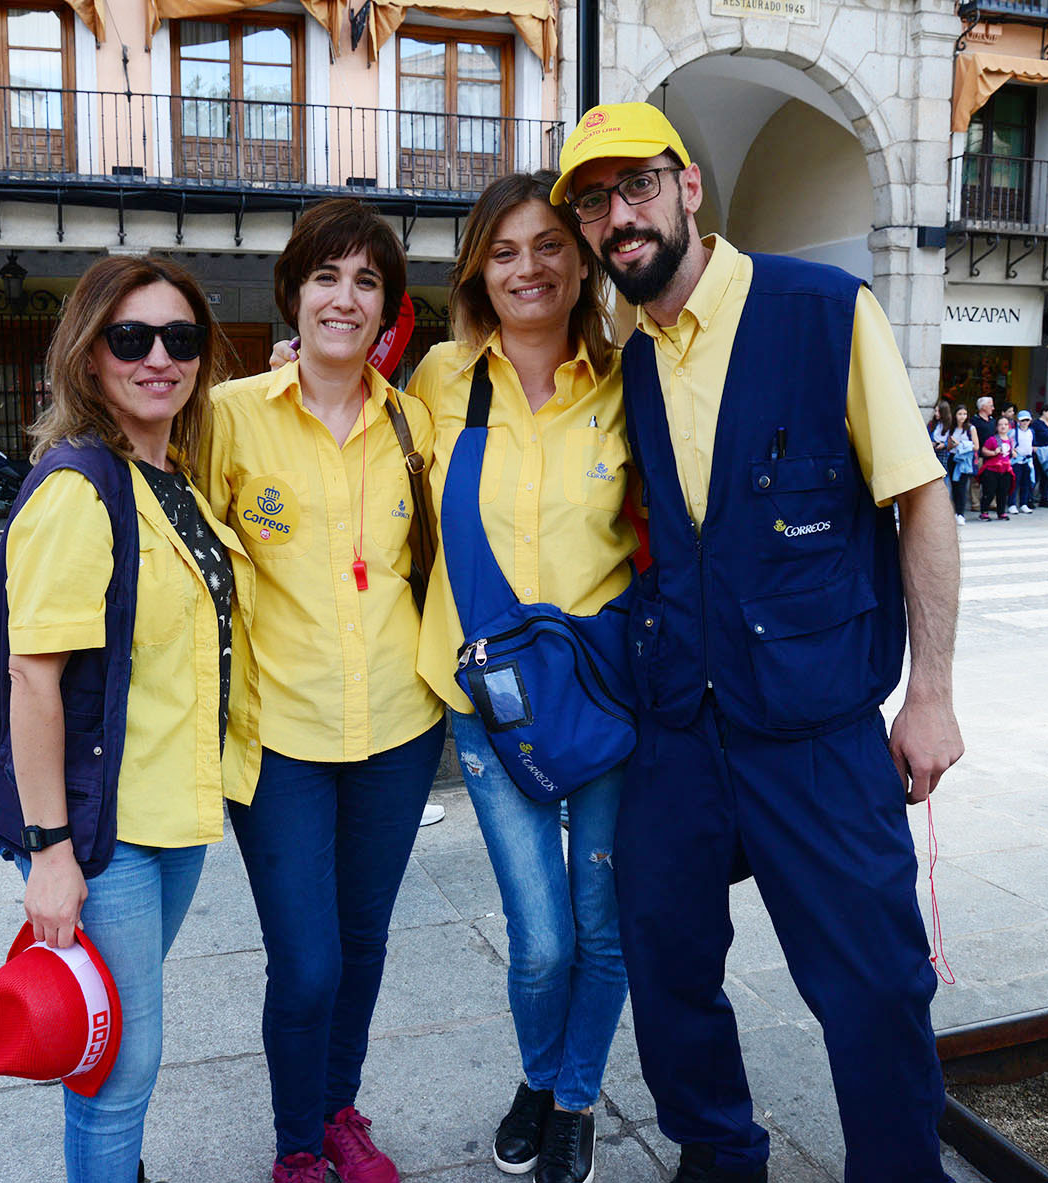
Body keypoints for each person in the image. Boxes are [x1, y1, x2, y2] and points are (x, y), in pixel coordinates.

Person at [553, 103, 964, 1182]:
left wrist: (931, 696)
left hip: (816, 724)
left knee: (871, 982)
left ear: (688, 186)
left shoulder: (823, 310)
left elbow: (919, 501)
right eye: (591, 202)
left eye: (634, 185)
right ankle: (719, 1152)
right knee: (661, 952)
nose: (617, 216)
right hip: (678, 724)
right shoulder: (628, 358)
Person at [0, 254, 260, 1182]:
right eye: (132, 338)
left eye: (181, 338)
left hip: (173, 815)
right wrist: (49, 853)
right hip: (101, 831)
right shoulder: (81, 487)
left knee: (114, 1032)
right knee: (119, 1064)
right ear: (91, 359)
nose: (159, 357)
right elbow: (32, 680)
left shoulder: (174, 483)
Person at [200, 198, 446, 1183]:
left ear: (386, 307)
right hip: (279, 738)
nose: (343, 298)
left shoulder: (413, 423)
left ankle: (337, 1107)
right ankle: (297, 1144)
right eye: (324, 276)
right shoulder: (225, 418)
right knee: (304, 963)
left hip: (396, 728)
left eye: (365, 281)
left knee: (362, 943)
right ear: (292, 295)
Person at [405, 170, 634, 1183]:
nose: (526, 267)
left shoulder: (629, 378)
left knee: (602, 921)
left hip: (608, 701)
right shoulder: (436, 383)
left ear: (579, 258)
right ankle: (537, 1073)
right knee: (539, 939)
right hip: (488, 704)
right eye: (501, 250)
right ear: (474, 269)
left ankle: (572, 1094)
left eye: (547, 244)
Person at [939, 404, 977, 525]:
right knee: (954, 486)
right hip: (953, 458)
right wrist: (952, 444)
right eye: (960, 414)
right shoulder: (952, 428)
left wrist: (962, 444)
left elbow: (976, 446)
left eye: (964, 414)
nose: (962, 417)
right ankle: (956, 512)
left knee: (962, 486)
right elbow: (949, 447)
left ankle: (961, 513)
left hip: (964, 460)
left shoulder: (971, 429)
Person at [978, 413, 1015, 521]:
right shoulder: (992, 439)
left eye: (1005, 424)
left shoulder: (1010, 440)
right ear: (996, 427)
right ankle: (984, 512)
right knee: (989, 492)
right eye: (1000, 425)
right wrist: (993, 452)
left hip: (1005, 470)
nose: (1003, 427)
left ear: (1009, 426)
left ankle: (1001, 512)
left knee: (1003, 492)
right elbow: (984, 451)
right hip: (992, 470)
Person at [1031, 404, 1048, 507]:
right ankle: (1029, 498)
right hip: (1038, 454)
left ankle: (1044, 498)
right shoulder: (1036, 424)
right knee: (1035, 476)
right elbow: (1032, 437)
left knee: (1047, 476)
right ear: (1044, 412)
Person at [1009, 409, 1035, 514]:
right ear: (1018, 421)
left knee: (1026, 483)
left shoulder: (1031, 432)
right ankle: (1012, 504)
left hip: (1028, 460)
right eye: (1022, 420)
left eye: (1027, 420)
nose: (1024, 422)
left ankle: (1023, 503)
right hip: (1017, 461)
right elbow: (1007, 442)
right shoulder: (1014, 432)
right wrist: (1012, 451)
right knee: (1014, 483)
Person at [929, 398, 956, 476]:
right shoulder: (932, 424)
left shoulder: (951, 425)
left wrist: (945, 444)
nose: (936, 414)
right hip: (934, 451)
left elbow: (954, 440)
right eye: (935, 411)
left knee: (943, 475)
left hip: (944, 454)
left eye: (939, 411)